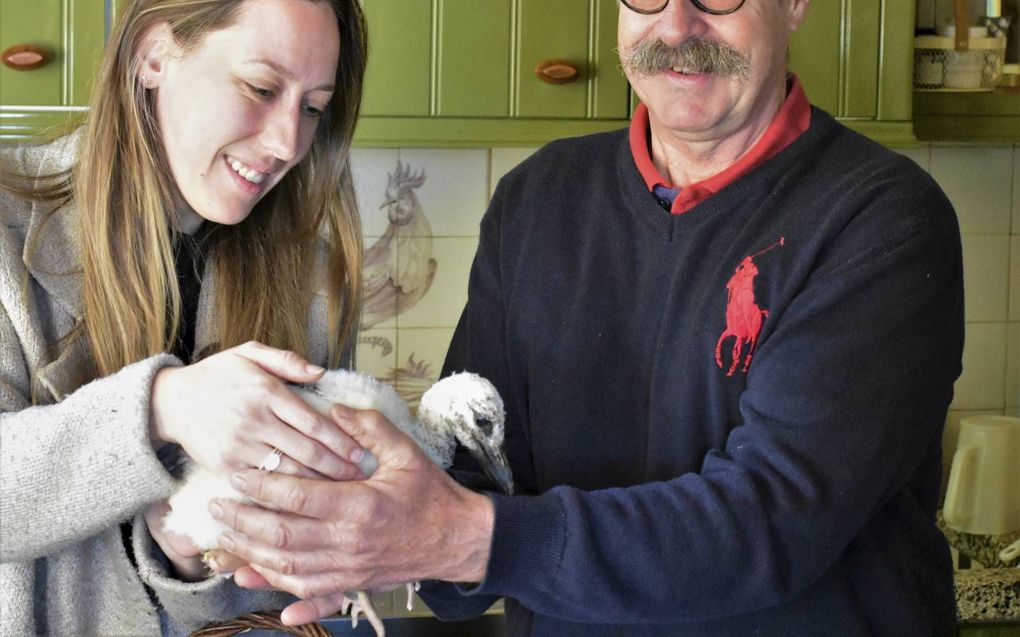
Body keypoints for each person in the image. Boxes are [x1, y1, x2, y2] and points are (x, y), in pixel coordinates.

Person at [212, 0, 965, 635]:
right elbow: (476, 464)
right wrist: (363, 518)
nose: (675, 27)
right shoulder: (539, 199)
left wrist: (459, 537)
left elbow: (770, 519)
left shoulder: (882, 219)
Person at [0, 0, 369, 634]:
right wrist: (162, 407)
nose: (287, 142)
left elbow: (271, 588)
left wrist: (189, 549)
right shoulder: (7, 224)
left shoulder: (314, 281)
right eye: (259, 87)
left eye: (312, 107)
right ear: (154, 55)